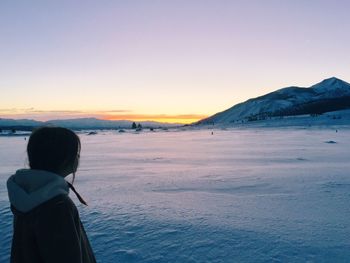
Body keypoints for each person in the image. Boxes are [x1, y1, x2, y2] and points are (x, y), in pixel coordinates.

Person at [7, 126, 96, 263]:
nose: (78, 158)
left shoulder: (27, 195)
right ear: (63, 158)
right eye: (75, 153)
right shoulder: (57, 205)